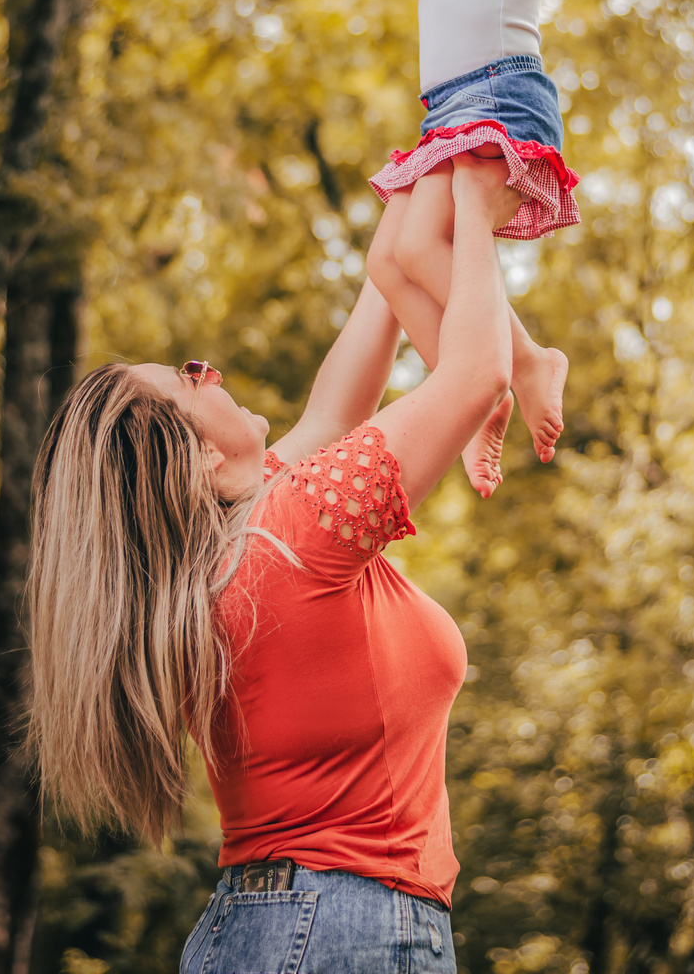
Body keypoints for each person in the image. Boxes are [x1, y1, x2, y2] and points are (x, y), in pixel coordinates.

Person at [29, 157, 521, 974]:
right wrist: (474, 202)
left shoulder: (238, 555)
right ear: (195, 459)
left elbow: (338, 402)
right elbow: (475, 373)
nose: (211, 370)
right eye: (191, 377)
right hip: (343, 929)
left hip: (264, 927)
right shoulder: (291, 533)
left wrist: (425, 172)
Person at [367, 0, 622, 499]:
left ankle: (513, 370)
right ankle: (480, 384)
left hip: (495, 97)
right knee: (392, 260)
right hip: (449, 111)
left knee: (420, 245)